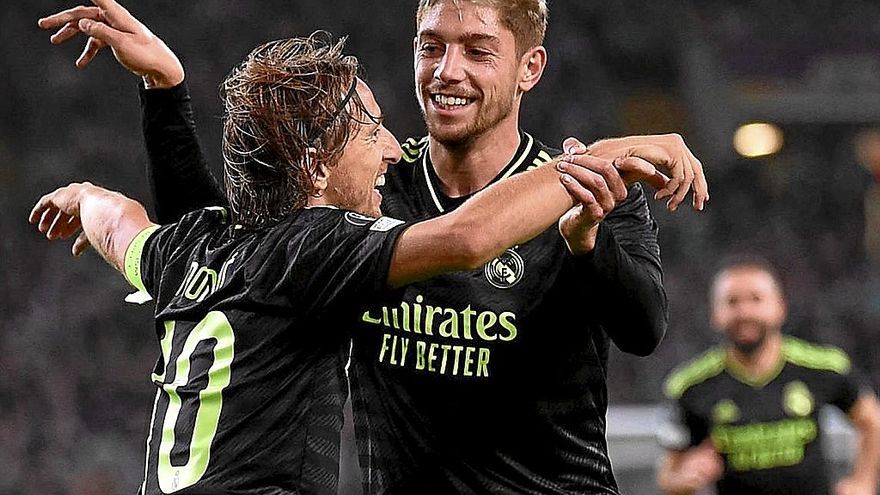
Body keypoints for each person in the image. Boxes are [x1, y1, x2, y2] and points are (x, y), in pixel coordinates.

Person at [38, 0, 708, 492]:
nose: (447, 70)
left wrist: (587, 241)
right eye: (429, 45)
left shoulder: (585, 190)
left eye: (476, 49)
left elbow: (644, 327)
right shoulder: (373, 198)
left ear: (529, 66)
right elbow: (465, 236)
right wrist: (603, 156)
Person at [657, 257, 880, 495]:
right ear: (715, 314)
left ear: (780, 307)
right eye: (732, 302)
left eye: (756, 299)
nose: (744, 311)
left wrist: (863, 481)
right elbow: (668, 477)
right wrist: (686, 478)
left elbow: (871, 421)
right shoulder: (690, 386)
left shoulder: (823, 367)